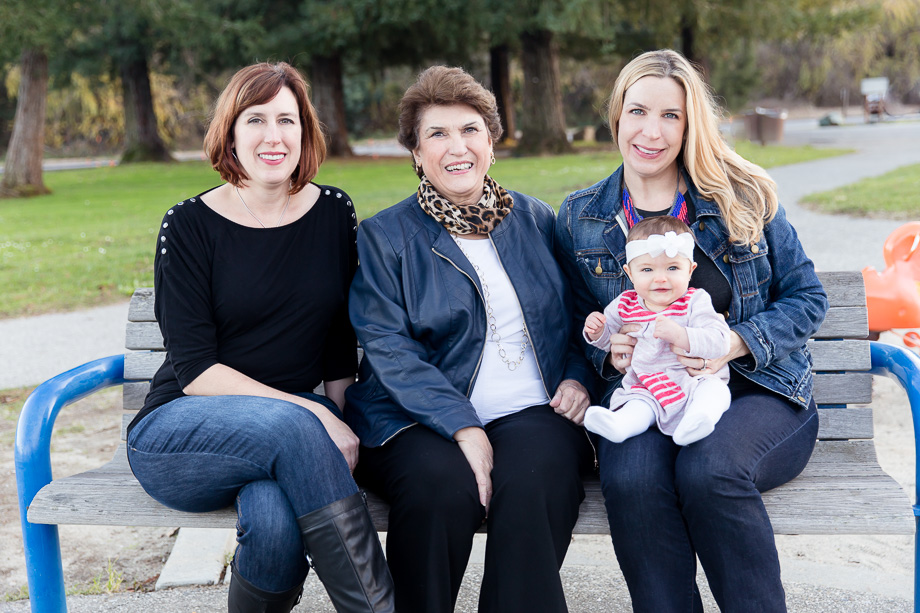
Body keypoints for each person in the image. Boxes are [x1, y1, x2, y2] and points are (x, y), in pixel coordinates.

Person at [555, 49, 828, 611]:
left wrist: (734, 342)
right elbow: (574, 328)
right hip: (650, 394)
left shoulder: (740, 198)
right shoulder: (580, 217)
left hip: (762, 390)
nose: (651, 132)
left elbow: (808, 298)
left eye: (671, 116)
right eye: (638, 111)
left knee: (709, 470)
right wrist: (609, 354)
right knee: (631, 480)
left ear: (690, 124)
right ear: (616, 117)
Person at [125, 62, 394, 613]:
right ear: (230, 133)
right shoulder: (189, 224)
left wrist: (337, 414)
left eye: (286, 120)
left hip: (284, 442)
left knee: (275, 525)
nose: (274, 136)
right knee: (292, 428)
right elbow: (196, 371)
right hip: (180, 431)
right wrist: (315, 415)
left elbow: (339, 341)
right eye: (256, 120)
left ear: (305, 131)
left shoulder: (332, 212)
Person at [345, 65, 595, 613]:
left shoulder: (536, 220)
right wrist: (463, 426)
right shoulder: (385, 237)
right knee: (441, 488)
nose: (456, 147)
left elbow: (581, 316)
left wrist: (578, 374)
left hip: (533, 407)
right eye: (436, 134)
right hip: (414, 417)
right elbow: (388, 346)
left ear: (491, 143)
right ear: (415, 152)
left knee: (533, 482)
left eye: (470, 130)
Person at [583, 216, 732, 446]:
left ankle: (698, 420)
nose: (660, 278)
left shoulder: (694, 301)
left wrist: (682, 336)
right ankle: (619, 425)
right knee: (637, 405)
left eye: (673, 268)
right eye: (647, 269)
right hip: (648, 385)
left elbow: (721, 341)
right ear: (630, 273)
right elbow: (610, 342)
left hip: (694, 380)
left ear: (690, 270)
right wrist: (598, 331)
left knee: (715, 392)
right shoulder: (624, 305)